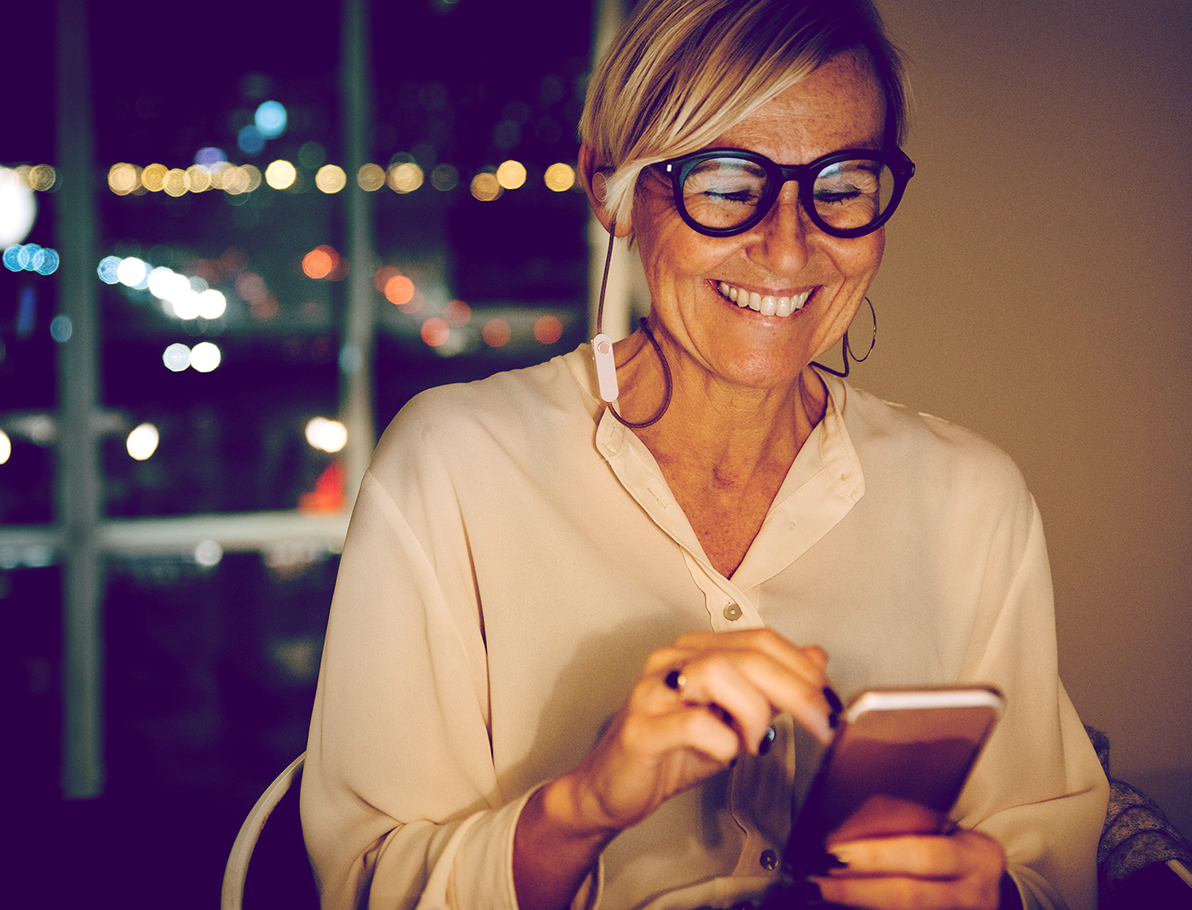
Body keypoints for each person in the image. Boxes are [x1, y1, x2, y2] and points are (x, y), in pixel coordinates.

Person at [299, 0, 1108, 907]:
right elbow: (371, 883)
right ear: (611, 191)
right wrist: (579, 809)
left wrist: (989, 894)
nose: (787, 246)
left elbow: (1053, 863)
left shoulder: (970, 498)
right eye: (725, 183)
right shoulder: (451, 467)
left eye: (841, 185)